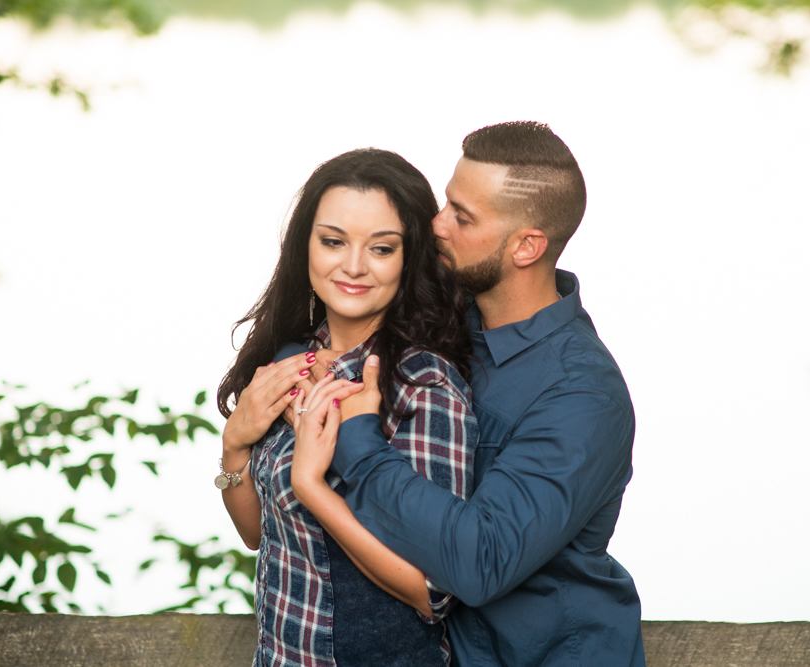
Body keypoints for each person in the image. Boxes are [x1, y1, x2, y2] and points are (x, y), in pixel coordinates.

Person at [297, 122, 645, 667]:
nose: (435, 225)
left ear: (526, 246)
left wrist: (356, 441)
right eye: (446, 203)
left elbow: (481, 562)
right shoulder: (446, 324)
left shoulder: (581, 395)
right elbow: (338, 319)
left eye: (462, 216)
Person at [215, 148, 478, 667]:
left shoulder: (420, 383)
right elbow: (257, 535)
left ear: (409, 257)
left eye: (381, 248)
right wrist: (234, 447)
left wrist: (313, 488)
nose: (353, 266)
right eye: (333, 241)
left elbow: (434, 589)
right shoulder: (294, 359)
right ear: (304, 246)